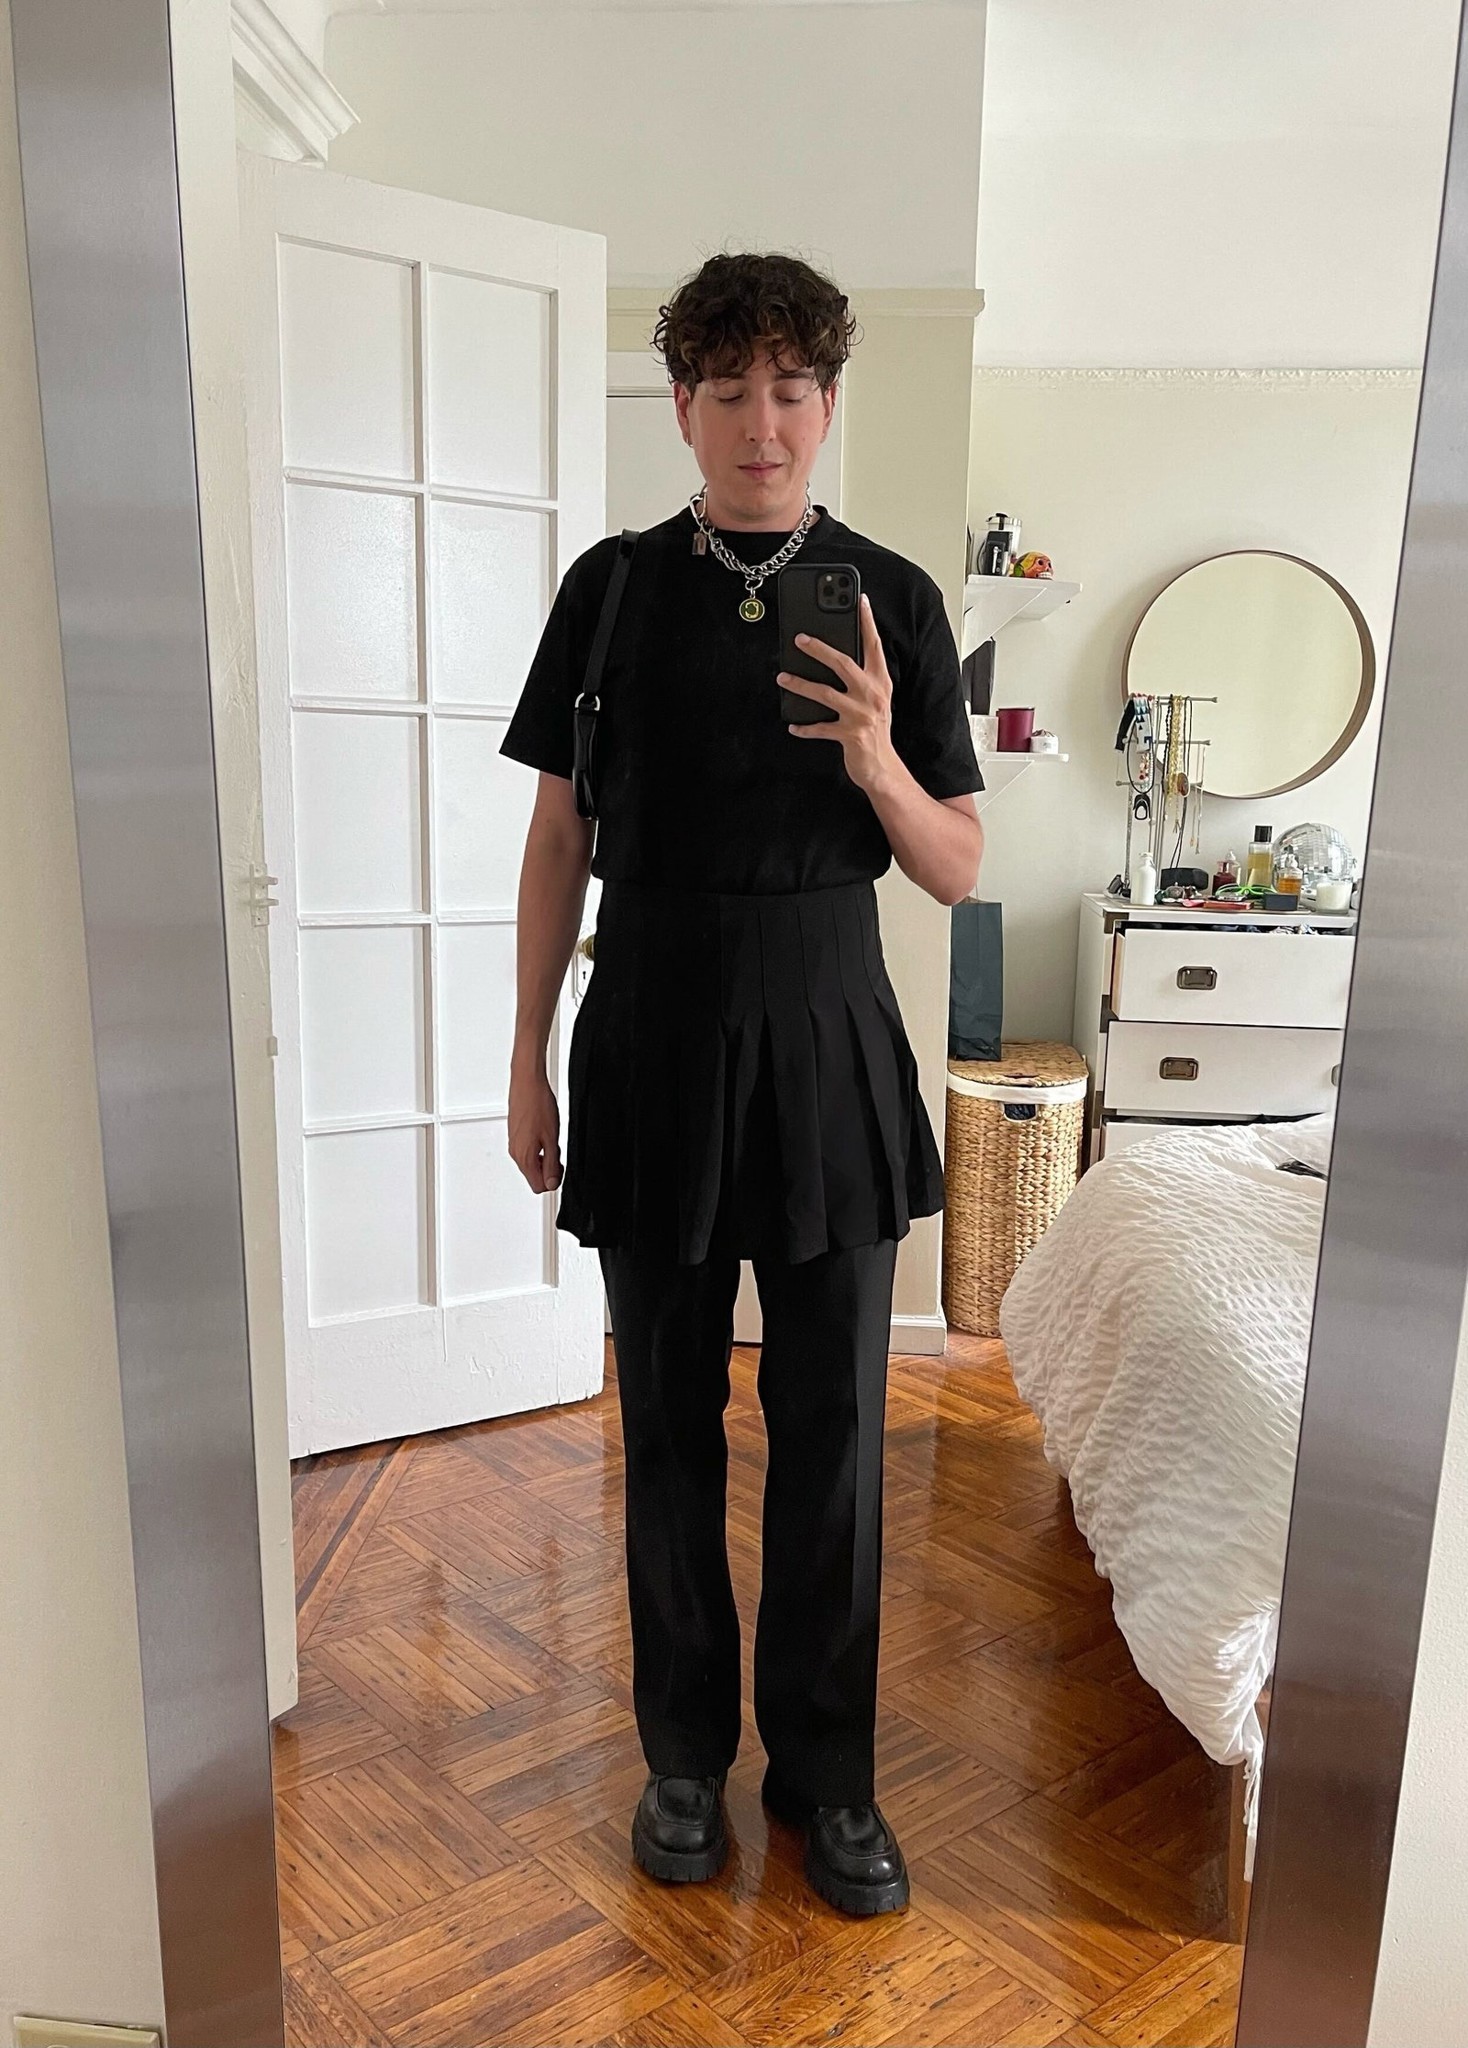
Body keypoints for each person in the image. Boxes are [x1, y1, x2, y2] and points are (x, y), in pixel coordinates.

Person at [500, 252, 984, 1918]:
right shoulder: (613, 591)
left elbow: (956, 865)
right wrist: (522, 1057)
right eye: (729, 390)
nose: (761, 422)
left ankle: (832, 1780)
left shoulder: (895, 599)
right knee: (666, 1420)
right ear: (686, 408)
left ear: (827, 405)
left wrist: (877, 759)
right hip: (647, 1023)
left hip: (829, 1024)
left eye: (791, 389)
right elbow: (557, 838)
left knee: (835, 1425)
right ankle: (683, 1761)